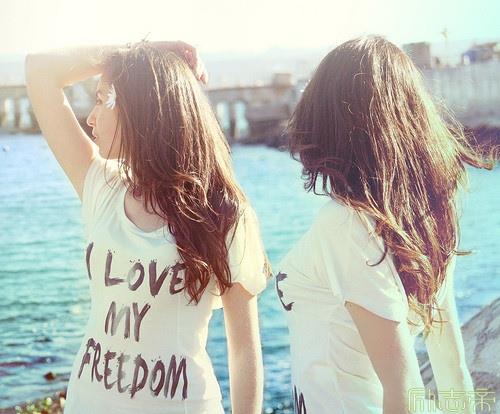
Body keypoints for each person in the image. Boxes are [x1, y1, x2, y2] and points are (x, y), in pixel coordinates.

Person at [25, 39, 272, 414]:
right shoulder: (101, 187)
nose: (91, 117)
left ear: (139, 109)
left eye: (102, 99)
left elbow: (244, 351)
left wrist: (142, 64)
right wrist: (135, 53)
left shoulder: (224, 214)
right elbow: (39, 69)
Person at [275, 35, 497, 414]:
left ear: (330, 119)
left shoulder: (345, 223)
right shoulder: (427, 213)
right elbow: (450, 364)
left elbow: (403, 391)